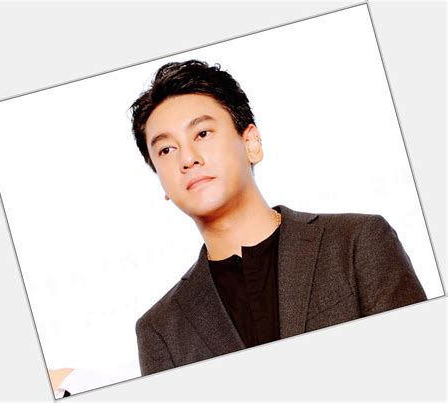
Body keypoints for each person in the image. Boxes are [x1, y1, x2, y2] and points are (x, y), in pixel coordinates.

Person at [129, 59, 427, 376]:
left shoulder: (356, 242)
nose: (188, 158)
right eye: (166, 150)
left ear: (251, 143)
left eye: (202, 133)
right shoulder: (160, 329)